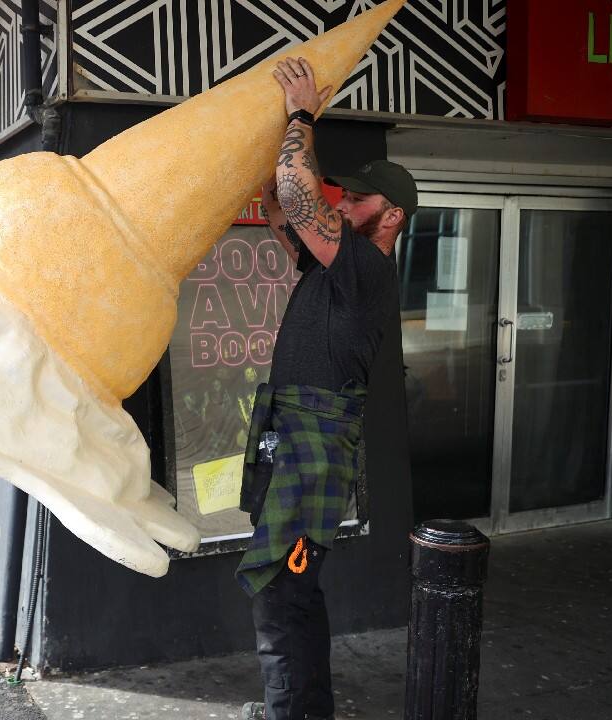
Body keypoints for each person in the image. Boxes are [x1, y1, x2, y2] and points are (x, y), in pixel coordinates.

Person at [236, 57, 413, 720]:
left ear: (390, 216)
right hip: (295, 446)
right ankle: (303, 711)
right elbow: (282, 200)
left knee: (282, 595)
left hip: (313, 457)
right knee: (292, 591)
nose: (344, 203)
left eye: (359, 198)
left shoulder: (367, 270)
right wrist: (270, 133)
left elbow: (300, 193)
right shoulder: (332, 267)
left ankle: (294, 715)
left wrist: (303, 114)